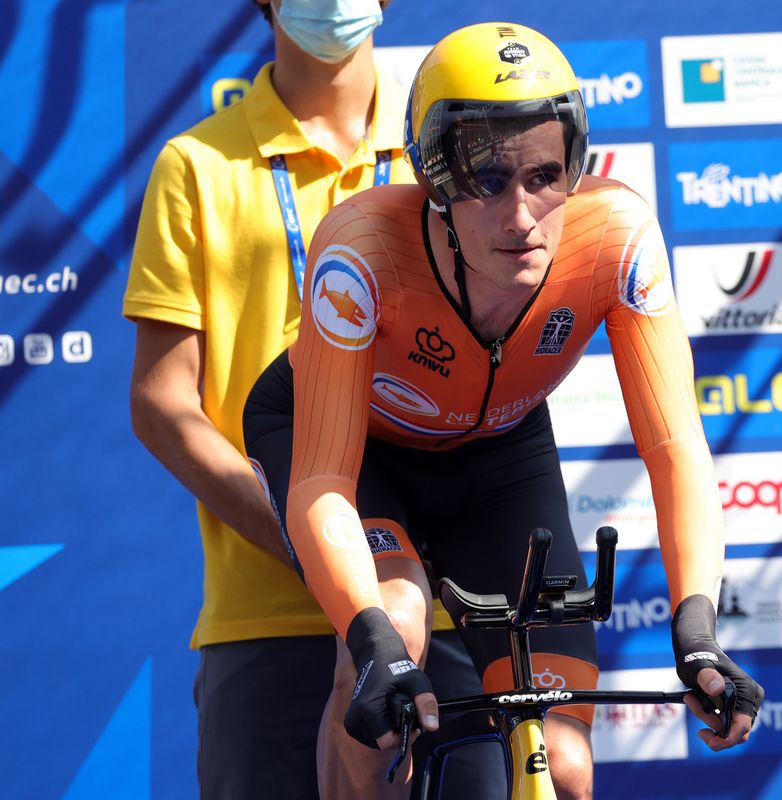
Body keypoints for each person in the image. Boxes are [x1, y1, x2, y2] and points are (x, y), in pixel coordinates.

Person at [243, 20, 765, 798]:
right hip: (358, 453)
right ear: (432, 177)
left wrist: (697, 636)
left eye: (546, 175)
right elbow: (322, 478)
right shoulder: (361, 249)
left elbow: (675, 447)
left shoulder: (616, 236)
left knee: (567, 762)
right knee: (390, 643)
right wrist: (375, 644)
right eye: (486, 179)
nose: (521, 216)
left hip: (497, 450)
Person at [124, 2, 500, 797]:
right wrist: (306, 544)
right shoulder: (196, 163)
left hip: (440, 603)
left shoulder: (453, 147)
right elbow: (162, 403)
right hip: (271, 610)